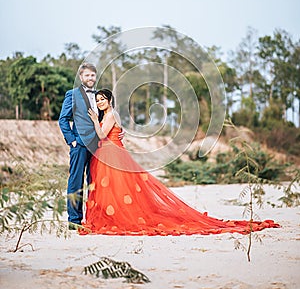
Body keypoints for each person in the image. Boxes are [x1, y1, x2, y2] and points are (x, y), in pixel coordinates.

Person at [80, 89, 279, 236]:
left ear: (109, 100)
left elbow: (102, 134)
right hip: (108, 154)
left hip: (112, 154)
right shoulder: (106, 115)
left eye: (102, 99)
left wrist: (95, 122)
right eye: (97, 100)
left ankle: (118, 219)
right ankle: (113, 217)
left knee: (120, 189)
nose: (99, 103)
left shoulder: (110, 115)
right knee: (113, 190)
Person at [58, 64, 123, 230]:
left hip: (98, 147)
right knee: (76, 181)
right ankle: (74, 220)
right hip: (79, 145)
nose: (90, 78)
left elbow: (109, 116)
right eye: (87, 76)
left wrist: (122, 131)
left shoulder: (98, 96)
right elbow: (63, 119)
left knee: (96, 183)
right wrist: (72, 140)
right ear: (81, 77)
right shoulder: (72, 95)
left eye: (93, 76)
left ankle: (96, 218)